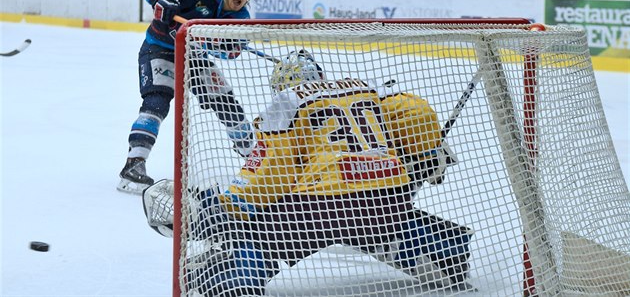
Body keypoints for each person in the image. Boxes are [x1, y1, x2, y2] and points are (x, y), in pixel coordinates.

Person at [142, 49, 472, 296]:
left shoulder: (288, 103)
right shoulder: (365, 88)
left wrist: (228, 205)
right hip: (390, 195)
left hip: (328, 204)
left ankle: (235, 281)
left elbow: (273, 173)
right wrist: (426, 153)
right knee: (380, 221)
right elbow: (414, 111)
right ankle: (448, 251)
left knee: (263, 235)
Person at [118, 0, 258, 195]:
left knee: (228, 105)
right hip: (159, 48)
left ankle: (254, 159)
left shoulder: (240, 18)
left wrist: (226, 46)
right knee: (157, 103)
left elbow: (232, 52)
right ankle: (133, 165)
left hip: (193, 57)